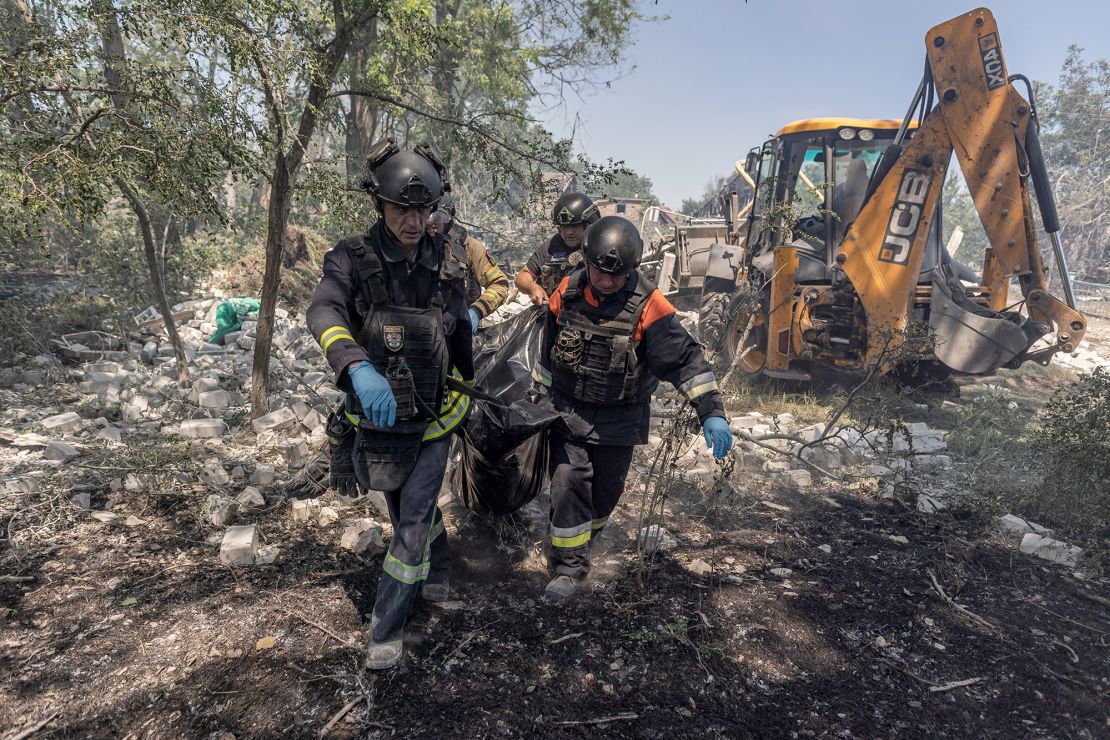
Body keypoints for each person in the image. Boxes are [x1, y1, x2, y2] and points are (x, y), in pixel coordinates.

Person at [306, 138, 474, 670]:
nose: (413, 219)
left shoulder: (447, 263)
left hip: (432, 418)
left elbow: (461, 341)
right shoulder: (349, 259)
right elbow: (323, 312)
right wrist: (356, 366)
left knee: (412, 517)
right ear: (378, 204)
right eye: (402, 207)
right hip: (376, 418)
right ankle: (439, 575)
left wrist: (469, 399)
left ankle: (386, 628)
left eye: (423, 208)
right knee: (405, 507)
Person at [531, 215, 733, 603]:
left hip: (620, 420)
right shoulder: (566, 292)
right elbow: (548, 351)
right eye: (599, 272)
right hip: (569, 411)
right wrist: (537, 398)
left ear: (632, 269)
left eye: (617, 275)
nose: (606, 282)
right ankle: (568, 568)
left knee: (605, 494)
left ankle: (580, 541)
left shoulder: (649, 305)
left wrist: (711, 412)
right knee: (569, 482)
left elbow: (685, 359)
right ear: (586, 260)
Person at [425, 194, 509, 333]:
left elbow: (499, 284)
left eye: (438, 218)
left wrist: (476, 311)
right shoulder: (412, 245)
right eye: (426, 218)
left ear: (448, 219)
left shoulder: (469, 247)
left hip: (460, 328)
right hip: (422, 327)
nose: (431, 224)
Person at [514, 191, 600, 305]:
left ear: (589, 224)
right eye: (564, 226)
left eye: (575, 226)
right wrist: (532, 287)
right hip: (550, 313)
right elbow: (522, 276)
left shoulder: (600, 247)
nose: (569, 232)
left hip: (585, 316)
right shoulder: (551, 246)